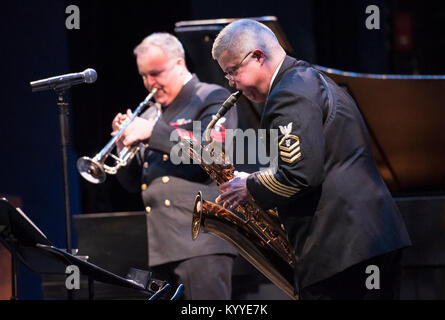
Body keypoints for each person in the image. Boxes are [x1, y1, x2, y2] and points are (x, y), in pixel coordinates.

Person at [212, 19, 411, 300]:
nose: (232, 83)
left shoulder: (289, 94)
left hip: (342, 252)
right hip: (365, 244)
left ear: (258, 56)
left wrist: (250, 186)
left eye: (233, 71)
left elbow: (300, 175)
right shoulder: (307, 79)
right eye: (227, 76)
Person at [112, 32, 238, 300]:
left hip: (200, 244)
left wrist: (153, 133)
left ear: (179, 64)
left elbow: (214, 154)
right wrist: (123, 147)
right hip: (161, 246)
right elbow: (135, 183)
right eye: (144, 76)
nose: (150, 84)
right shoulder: (151, 114)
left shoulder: (211, 97)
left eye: (156, 73)